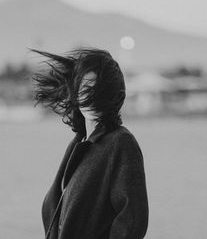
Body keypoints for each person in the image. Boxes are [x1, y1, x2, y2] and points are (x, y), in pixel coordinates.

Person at [31, 48, 148, 239]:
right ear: (76, 93)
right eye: (86, 89)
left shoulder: (120, 143)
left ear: (111, 96)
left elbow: (133, 220)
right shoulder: (78, 144)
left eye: (98, 91)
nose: (91, 98)